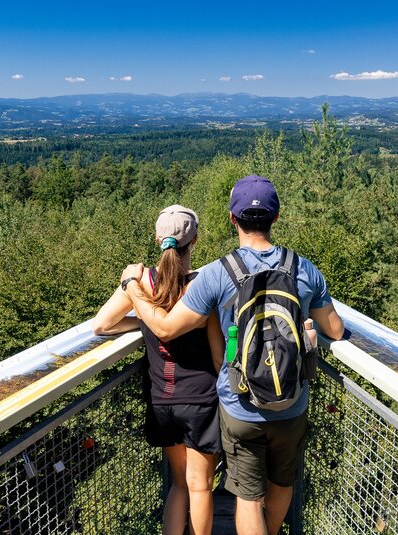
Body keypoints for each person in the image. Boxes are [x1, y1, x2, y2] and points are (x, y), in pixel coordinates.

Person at [120, 176, 345, 535]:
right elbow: (334, 330)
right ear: (277, 216)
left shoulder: (215, 274)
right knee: (282, 483)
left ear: (231, 218)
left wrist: (132, 286)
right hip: (292, 402)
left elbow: (164, 328)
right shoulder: (305, 269)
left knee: (247, 495)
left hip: (240, 405)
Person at [93, 205, 224, 535]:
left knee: (179, 485)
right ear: (194, 240)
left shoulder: (143, 283)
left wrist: (141, 317)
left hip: (161, 399)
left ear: (157, 239)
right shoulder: (201, 286)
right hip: (199, 400)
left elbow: (102, 325)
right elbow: (217, 354)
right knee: (199, 487)